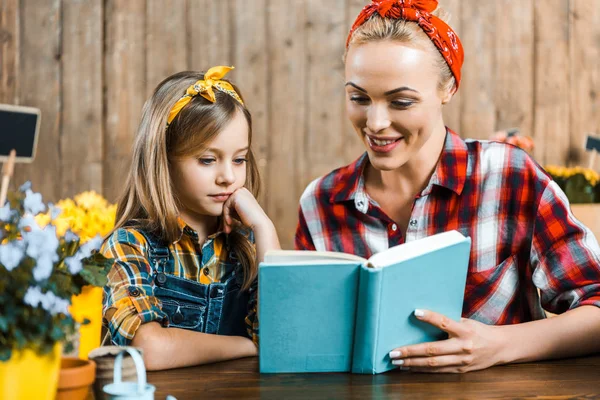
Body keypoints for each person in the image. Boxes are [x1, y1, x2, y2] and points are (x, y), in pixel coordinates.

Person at [295, 0, 600, 373]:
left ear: (448, 88)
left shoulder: (510, 177)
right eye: (358, 98)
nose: (375, 122)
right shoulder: (320, 203)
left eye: (401, 101)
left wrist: (500, 345)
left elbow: (596, 305)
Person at [101, 66, 280, 371]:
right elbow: (148, 349)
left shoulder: (248, 247)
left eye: (239, 160)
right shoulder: (128, 246)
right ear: (164, 159)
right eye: (208, 160)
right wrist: (247, 345)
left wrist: (264, 228)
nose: (228, 176)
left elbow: (284, 338)